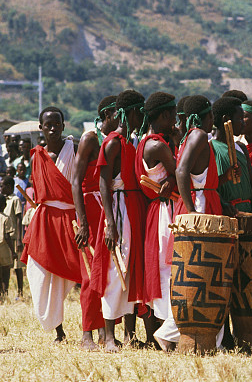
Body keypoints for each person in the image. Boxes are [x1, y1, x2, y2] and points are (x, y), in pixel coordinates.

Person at [21, 107, 83, 342]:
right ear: (41, 128)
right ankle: (58, 328)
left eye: (57, 124)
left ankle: (96, 329)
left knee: (74, 272)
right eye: (48, 125)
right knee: (40, 273)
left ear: (64, 125)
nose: (53, 128)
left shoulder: (74, 149)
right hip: (44, 220)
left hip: (70, 217)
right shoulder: (36, 155)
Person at [96, 90, 146, 351]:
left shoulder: (130, 141)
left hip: (132, 208)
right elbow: (103, 183)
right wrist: (110, 223)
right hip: (118, 208)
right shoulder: (113, 142)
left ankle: (129, 334)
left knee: (131, 267)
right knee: (115, 269)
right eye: (140, 112)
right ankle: (108, 336)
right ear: (132, 112)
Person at [70, 95, 116, 351]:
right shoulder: (90, 138)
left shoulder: (114, 142)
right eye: (117, 115)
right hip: (88, 210)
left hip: (106, 211)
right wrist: (83, 222)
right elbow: (76, 181)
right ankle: (86, 333)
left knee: (106, 272)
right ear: (107, 115)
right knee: (89, 274)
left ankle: (104, 331)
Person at [136, 92, 180, 351]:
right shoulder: (158, 145)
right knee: (170, 270)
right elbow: (180, 172)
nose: (175, 120)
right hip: (167, 209)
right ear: (163, 116)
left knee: (165, 269)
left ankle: (167, 330)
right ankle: (168, 332)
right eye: (173, 115)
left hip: (156, 210)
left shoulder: (144, 142)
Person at [174, 95, 223, 216]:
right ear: (209, 116)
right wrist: (191, 211)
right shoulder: (199, 135)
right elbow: (181, 171)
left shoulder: (191, 136)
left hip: (201, 201)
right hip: (199, 205)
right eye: (211, 116)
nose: (212, 120)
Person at [210, 97, 252, 214]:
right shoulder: (210, 148)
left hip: (248, 211)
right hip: (227, 212)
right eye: (240, 119)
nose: (243, 123)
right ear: (226, 119)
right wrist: (224, 204)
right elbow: (209, 186)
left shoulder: (241, 148)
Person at [0, 176, 25, 300]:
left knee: (17, 267)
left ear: (9, 187)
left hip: (14, 236)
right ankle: (5, 292)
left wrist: (20, 239)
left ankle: (20, 292)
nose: (0, 189)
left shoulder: (15, 199)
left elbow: (19, 219)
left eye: (2, 186)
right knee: (6, 266)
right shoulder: (2, 199)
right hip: (6, 237)